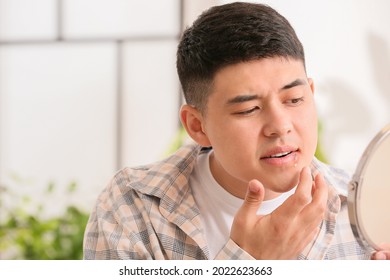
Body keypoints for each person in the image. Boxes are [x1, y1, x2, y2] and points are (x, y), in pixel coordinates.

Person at [83, 2, 390, 260]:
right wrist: (250, 262)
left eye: (294, 99)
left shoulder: (365, 211)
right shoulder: (133, 207)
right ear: (196, 126)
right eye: (248, 109)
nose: (280, 126)